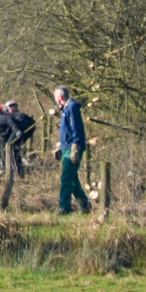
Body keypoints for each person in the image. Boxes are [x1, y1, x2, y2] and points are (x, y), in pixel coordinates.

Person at [53, 86, 91, 214]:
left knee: (66, 179)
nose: (55, 100)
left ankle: (65, 208)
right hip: (66, 148)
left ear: (60, 97)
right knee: (73, 180)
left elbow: (76, 129)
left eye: (55, 97)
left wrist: (75, 147)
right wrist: (60, 147)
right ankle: (85, 205)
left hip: (72, 149)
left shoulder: (72, 108)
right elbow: (66, 132)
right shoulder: (66, 110)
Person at [0, 100, 36, 173]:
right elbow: (4, 135)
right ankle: (12, 168)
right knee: (8, 147)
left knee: (10, 146)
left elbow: (8, 120)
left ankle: (15, 169)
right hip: (21, 126)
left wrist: (17, 131)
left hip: (24, 124)